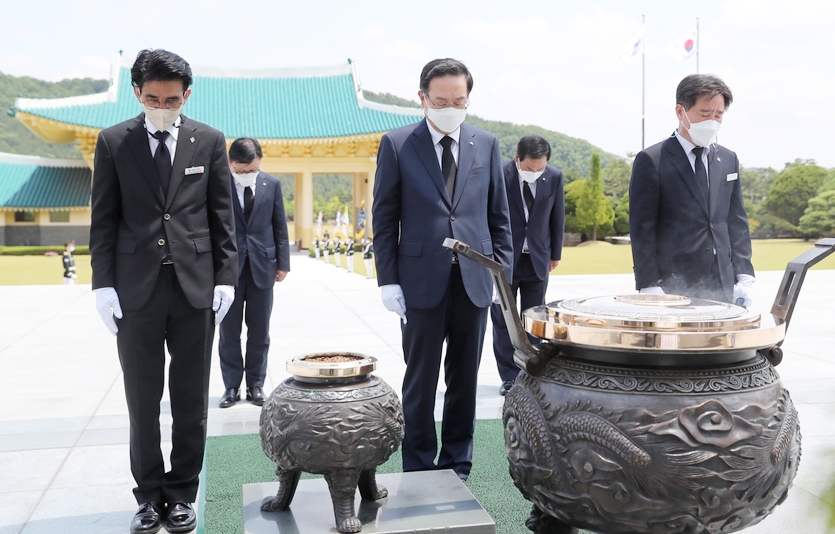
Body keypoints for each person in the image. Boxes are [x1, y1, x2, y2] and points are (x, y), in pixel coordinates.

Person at [89, 49, 237, 534]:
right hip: (136, 291)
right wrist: (103, 285)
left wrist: (226, 278)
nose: (161, 106)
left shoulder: (209, 140)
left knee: (191, 400)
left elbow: (222, 218)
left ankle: (181, 494)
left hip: (195, 289)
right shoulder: (114, 141)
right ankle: (148, 497)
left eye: (171, 99)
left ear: (186, 95)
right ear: (137, 92)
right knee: (142, 399)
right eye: (152, 98)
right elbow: (103, 219)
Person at [372, 58, 512, 481]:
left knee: (465, 378)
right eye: (441, 101)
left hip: (474, 280)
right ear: (422, 98)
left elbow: (499, 217)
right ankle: (417, 465)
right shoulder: (398, 144)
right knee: (420, 378)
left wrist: (499, 275)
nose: (451, 108)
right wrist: (388, 280)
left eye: (459, 101)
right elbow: (384, 217)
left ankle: (457, 464)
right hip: (419, 282)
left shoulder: (486, 143)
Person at [629, 74, 754, 306]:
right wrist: (649, 284)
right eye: (705, 114)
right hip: (673, 283)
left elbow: (736, 221)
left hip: (723, 281)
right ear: (681, 112)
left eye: (718, 115)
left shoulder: (728, 159)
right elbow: (642, 229)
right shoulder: (652, 160)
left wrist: (745, 274)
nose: (712, 122)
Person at [218, 138, 290, 409]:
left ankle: (256, 385)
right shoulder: (219, 184)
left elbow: (279, 226)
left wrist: (283, 263)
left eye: (253, 170)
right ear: (230, 163)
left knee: (260, 331)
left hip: (263, 267)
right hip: (229, 270)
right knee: (229, 332)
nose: (248, 175)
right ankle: (231, 386)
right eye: (242, 170)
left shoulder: (272, 184)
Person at [490, 135, 564, 396]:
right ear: (517, 158)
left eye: (539, 168)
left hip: (537, 259)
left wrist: (555, 253)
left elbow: (557, 216)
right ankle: (509, 377)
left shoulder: (554, 176)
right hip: (504, 259)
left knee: (534, 318)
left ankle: (531, 372)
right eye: (529, 168)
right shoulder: (499, 174)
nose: (535, 173)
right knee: (504, 321)